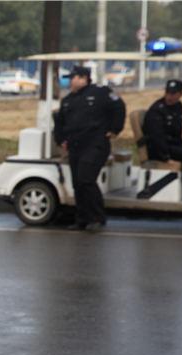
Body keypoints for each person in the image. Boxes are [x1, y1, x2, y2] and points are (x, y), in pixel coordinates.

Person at [54, 65, 126, 231]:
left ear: (83, 78)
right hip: (75, 146)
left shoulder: (101, 93)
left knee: (86, 179)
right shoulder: (68, 100)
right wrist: (61, 140)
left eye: (73, 78)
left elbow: (119, 107)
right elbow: (60, 122)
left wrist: (115, 129)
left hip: (95, 144)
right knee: (78, 183)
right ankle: (82, 219)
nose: (70, 81)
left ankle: (97, 217)